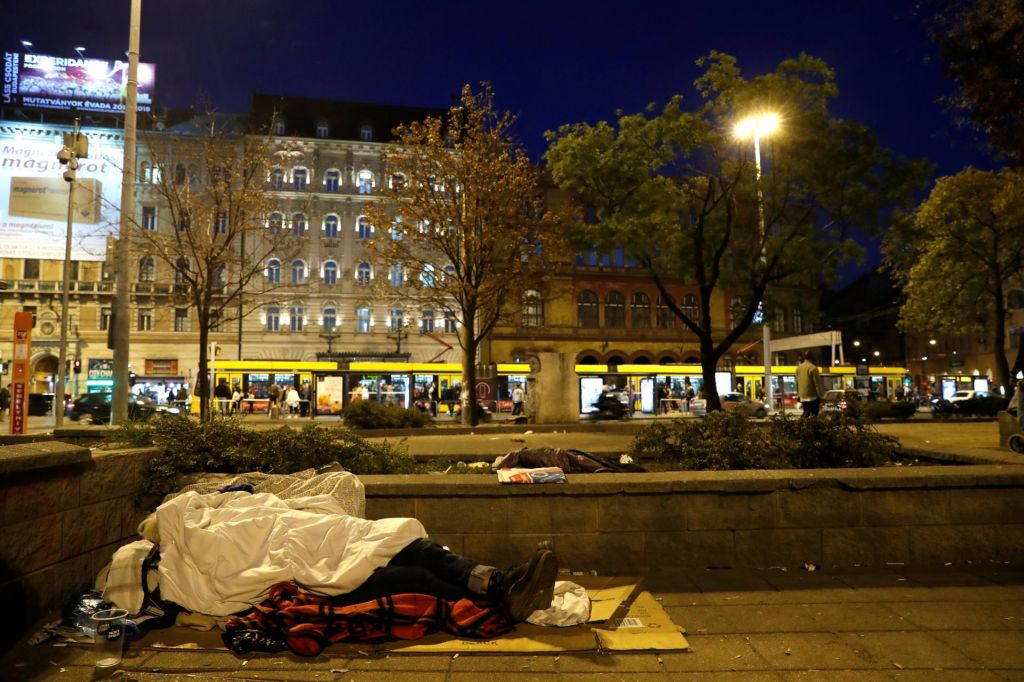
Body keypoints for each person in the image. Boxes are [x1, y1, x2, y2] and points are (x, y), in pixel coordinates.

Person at [795, 350, 824, 417]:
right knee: (814, 414)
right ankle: (813, 426)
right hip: (813, 396)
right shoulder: (813, 368)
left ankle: (802, 425)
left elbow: (797, 382)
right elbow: (817, 384)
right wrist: (820, 396)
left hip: (802, 396)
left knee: (806, 413)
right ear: (812, 358)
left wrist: (798, 394)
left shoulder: (798, 368)